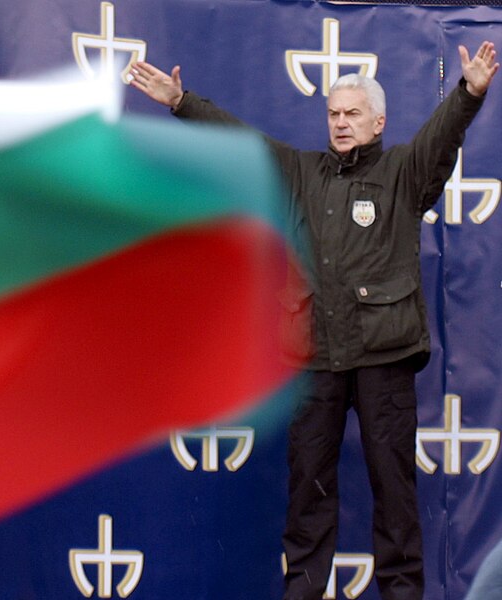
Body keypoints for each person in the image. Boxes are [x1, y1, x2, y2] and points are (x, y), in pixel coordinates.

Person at [129, 42, 499, 600]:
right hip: (315, 357)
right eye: (333, 113)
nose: (341, 123)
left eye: (353, 113)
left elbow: (441, 136)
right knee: (308, 492)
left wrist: (469, 93)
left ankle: (401, 593)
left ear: (378, 121)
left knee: (395, 495)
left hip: (384, 357)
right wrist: (181, 101)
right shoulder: (300, 172)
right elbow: (241, 145)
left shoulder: (404, 171)